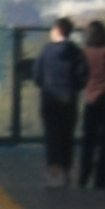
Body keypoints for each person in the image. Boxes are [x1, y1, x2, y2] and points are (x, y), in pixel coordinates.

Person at [74, 20, 105, 189]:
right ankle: (103, 179)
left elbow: (79, 76)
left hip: (91, 101)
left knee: (88, 142)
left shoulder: (84, 54)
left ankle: (84, 176)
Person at [33, 16, 85, 177]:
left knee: (51, 134)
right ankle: (66, 168)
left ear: (58, 30)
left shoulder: (46, 51)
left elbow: (37, 74)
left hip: (49, 98)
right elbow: (83, 76)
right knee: (67, 135)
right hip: (69, 99)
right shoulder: (76, 51)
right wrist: (72, 89)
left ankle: (52, 167)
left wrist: (46, 87)